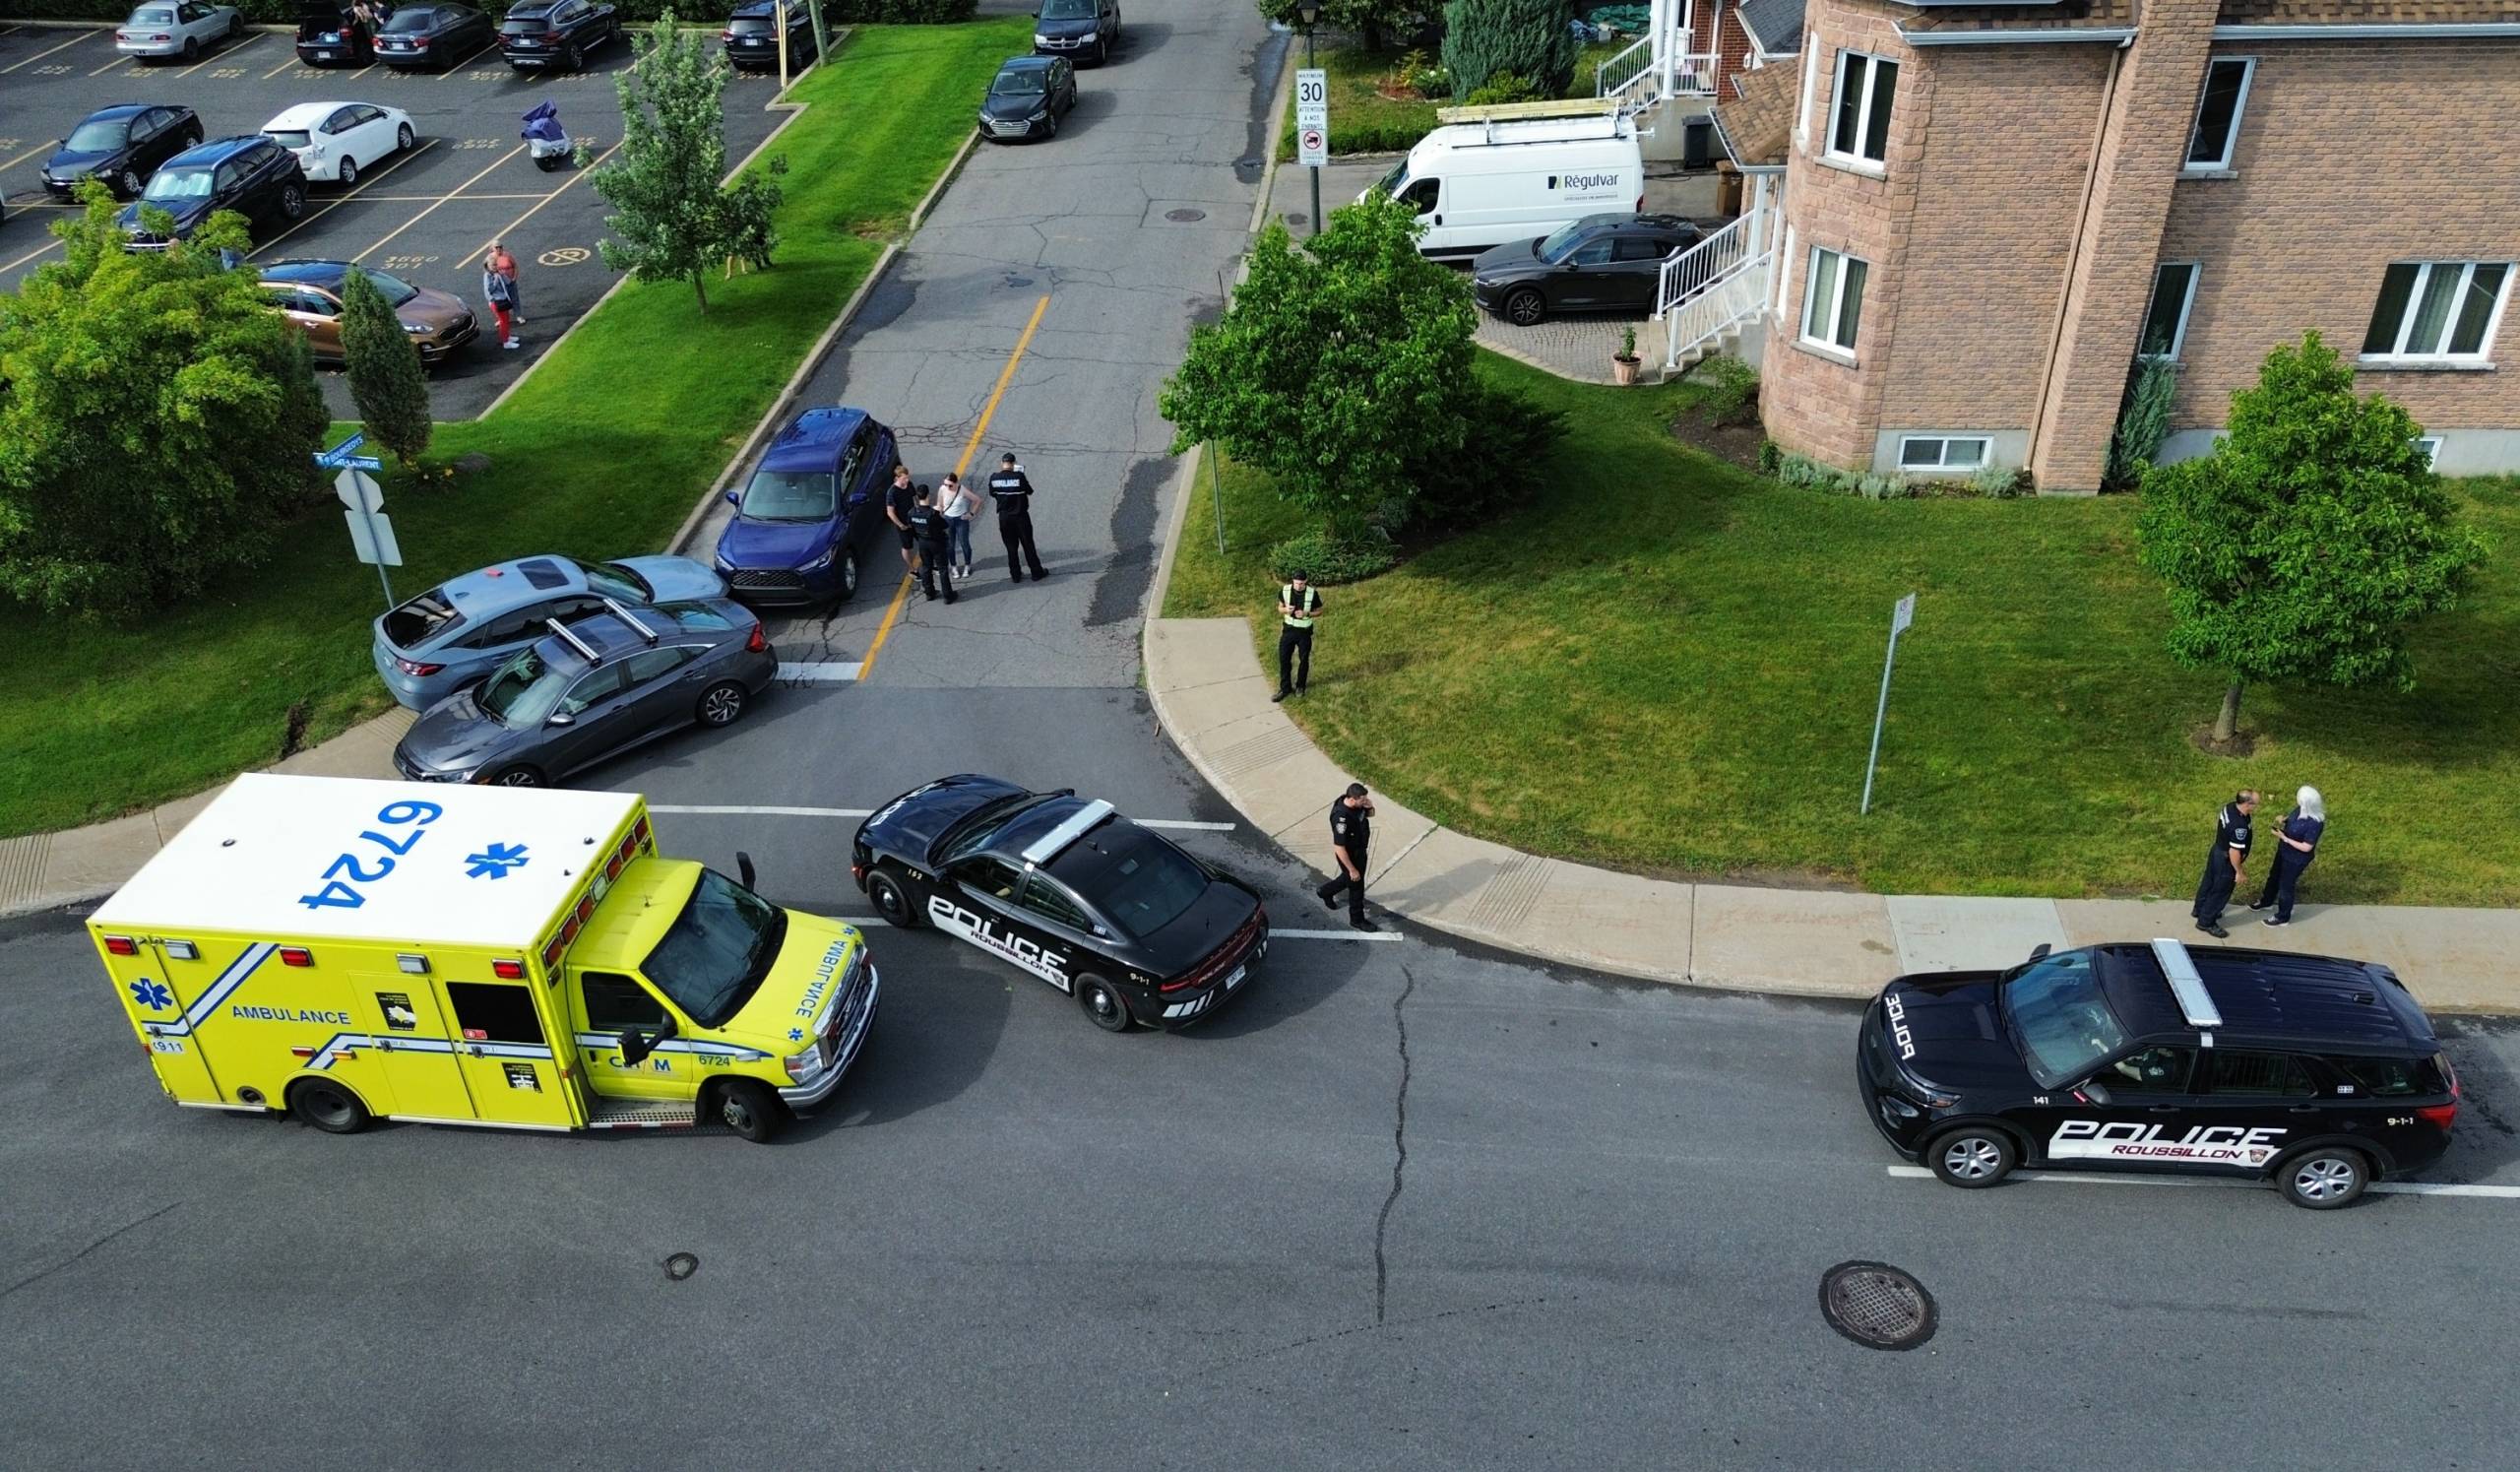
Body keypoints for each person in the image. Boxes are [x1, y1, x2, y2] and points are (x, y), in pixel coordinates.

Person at [2250, 785, 2326, 927]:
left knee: (2286, 885)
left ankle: (2283, 916)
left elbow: (2306, 847)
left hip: (2296, 859)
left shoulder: (2315, 823)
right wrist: (2284, 820)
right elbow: (2293, 820)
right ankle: (2266, 901)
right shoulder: (2300, 809)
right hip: (2284, 851)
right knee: (2274, 876)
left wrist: (2284, 837)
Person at [2189, 789, 2257, 938]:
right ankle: (2206, 921)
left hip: (2217, 850)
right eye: (2255, 804)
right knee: (2221, 891)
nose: (2256, 806)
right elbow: (2234, 852)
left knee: (2209, 881)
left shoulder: (2230, 806)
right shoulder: (2239, 825)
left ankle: (2199, 908)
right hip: (2227, 859)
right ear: (2246, 804)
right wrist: (2239, 872)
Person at [1316, 782, 1377, 932]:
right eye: (1362, 800)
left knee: (1349, 879)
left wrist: (1369, 807)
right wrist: (1351, 869)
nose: (1365, 802)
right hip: (1349, 855)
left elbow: (1370, 815)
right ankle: (1357, 919)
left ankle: (1325, 891)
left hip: (1360, 850)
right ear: (1352, 798)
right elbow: (1339, 847)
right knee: (1356, 886)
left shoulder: (1358, 805)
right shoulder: (1341, 818)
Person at [986, 452, 1046, 583]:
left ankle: (1015, 575)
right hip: (1020, 517)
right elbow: (1030, 491)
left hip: (1004, 518)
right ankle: (1036, 572)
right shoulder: (1019, 477)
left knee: (1011, 547)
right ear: (1013, 464)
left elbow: (992, 493)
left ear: (1002, 463)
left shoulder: (994, 478)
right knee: (1028, 545)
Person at [1272, 571, 1322, 703]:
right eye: (1296, 583)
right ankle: (1285, 688)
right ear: (1293, 581)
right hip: (1288, 631)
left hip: (1304, 632)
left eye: (1301, 584)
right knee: (1284, 659)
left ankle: (1300, 686)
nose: (1299, 586)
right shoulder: (1285, 590)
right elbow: (1279, 608)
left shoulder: (1312, 593)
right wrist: (1286, 610)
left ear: (1306, 582)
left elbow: (1319, 611)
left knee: (1303, 660)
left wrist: (1307, 613)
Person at [908, 484, 957, 604]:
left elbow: (911, 528)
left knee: (926, 567)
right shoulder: (932, 514)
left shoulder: (912, 512)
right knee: (942, 569)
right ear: (928, 495)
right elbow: (945, 525)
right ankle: (947, 596)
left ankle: (929, 593)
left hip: (922, 542)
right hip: (936, 543)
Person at [935, 471, 979, 581]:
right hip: (948, 519)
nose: (947, 487)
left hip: (961, 520)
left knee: (964, 543)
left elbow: (977, 500)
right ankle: (954, 566)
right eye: (945, 484)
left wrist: (971, 513)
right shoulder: (942, 489)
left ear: (956, 483)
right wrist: (938, 515)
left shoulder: (962, 490)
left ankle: (967, 565)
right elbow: (940, 504)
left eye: (949, 485)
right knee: (950, 545)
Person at [884, 464, 920, 578]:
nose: (907, 480)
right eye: (904, 478)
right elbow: (890, 512)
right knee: (907, 547)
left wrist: (919, 510)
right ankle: (912, 569)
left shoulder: (909, 485)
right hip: (903, 524)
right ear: (897, 477)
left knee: (924, 541)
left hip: (914, 520)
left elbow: (915, 498)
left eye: (907, 477)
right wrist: (900, 525)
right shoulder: (892, 492)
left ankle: (930, 563)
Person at [480, 248, 518, 351]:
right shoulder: (488, 276)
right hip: (496, 301)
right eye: (493, 265)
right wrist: (496, 281)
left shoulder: (498, 273)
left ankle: (507, 337)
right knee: (503, 321)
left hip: (503, 299)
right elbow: (489, 290)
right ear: (488, 266)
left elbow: (508, 282)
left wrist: (502, 274)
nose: (495, 267)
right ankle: (506, 342)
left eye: (496, 265)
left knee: (506, 320)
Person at [491, 242, 522, 330]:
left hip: (510, 281)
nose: (499, 249)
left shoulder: (507, 255)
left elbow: (515, 266)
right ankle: (501, 318)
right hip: (499, 284)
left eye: (500, 247)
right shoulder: (491, 258)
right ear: (493, 248)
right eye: (496, 247)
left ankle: (518, 315)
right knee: (501, 301)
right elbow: (489, 270)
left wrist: (514, 277)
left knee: (514, 298)